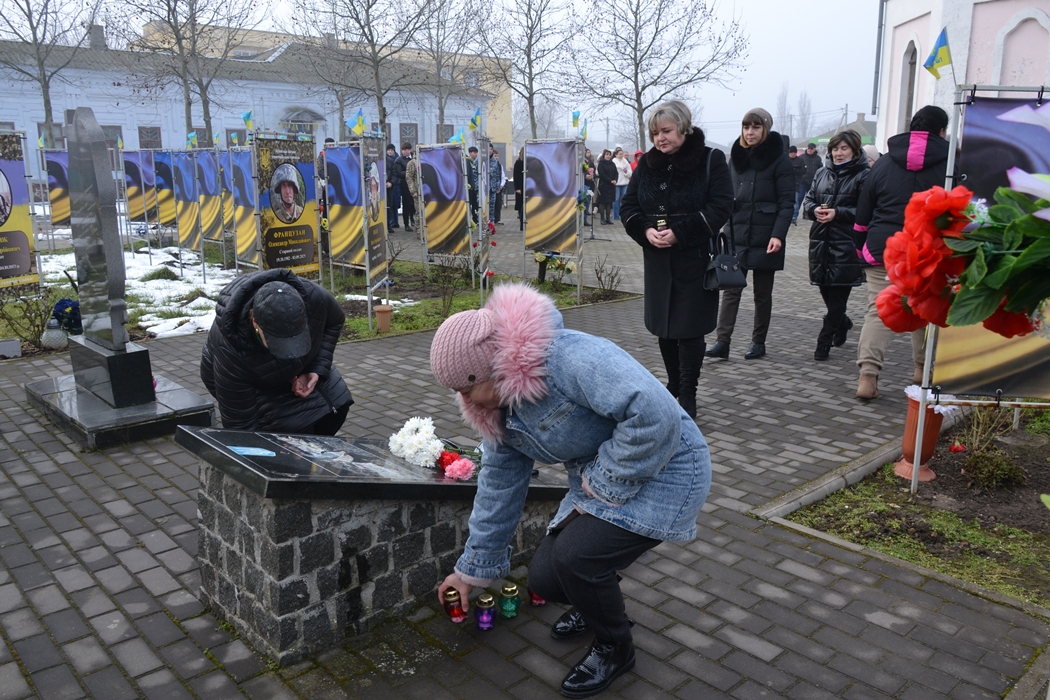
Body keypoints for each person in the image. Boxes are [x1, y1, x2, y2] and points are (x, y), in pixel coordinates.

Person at [431, 282, 711, 699]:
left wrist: (600, 485)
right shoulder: (497, 413)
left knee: (577, 557)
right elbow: (499, 488)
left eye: (466, 388)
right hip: (602, 474)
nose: (462, 398)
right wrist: (472, 568)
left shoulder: (569, 357)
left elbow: (656, 416)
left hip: (669, 467)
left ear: (492, 368)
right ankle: (596, 602)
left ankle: (616, 645)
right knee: (547, 578)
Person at [621, 100, 734, 419]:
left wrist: (680, 232)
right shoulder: (647, 165)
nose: (660, 138)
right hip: (657, 258)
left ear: (683, 128)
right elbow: (628, 207)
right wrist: (645, 230)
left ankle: (688, 393)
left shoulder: (711, 159)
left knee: (689, 328)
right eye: (655, 133)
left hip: (694, 255)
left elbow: (721, 205)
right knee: (664, 327)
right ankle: (672, 385)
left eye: (666, 131)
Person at [852, 105, 951, 400]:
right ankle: (922, 371)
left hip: (884, 249)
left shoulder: (882, 164)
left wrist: (861, 249)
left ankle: (867, 378)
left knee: (879, 311)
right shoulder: (951, 162)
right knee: (928, 308)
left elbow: (863, 210)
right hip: (930, 251)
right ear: (942, 131)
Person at [200, 269, 353, 434]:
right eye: (279, 343)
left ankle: (310, 455)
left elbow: (335, 320)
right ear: (255, 323)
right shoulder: (230, 353)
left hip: (298, 369)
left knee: (337, 403)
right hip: (250, 381)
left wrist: (315, 368)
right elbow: (241, 428)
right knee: (287, 428)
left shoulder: (314, 297)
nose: (290, 352)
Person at [707, 108, 794, 361]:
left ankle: (758, 341)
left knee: (762, 293)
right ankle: (722, 341)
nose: (750, 132)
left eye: (755, 127)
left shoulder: (779, 159)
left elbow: (787, 202)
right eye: (746, 127)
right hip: (737, 231)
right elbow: (724, 192)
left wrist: (778, 235)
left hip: (767, 235)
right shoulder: (736, 156)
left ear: (765, 128)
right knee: (731, 289)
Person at [802, 129, 870, 361]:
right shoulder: (822, 172)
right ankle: (843, 323)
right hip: (820, 241)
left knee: (839, 296)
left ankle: (824, 342)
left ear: (854, 150)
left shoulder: (865, 175)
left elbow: (866, 211)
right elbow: (809, 200)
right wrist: (814, 210)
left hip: (848, 243)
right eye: (835, 149)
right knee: (827, 293)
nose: (838, 153)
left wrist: (838, 213)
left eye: (844, 148)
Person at [395, 142, 416, 232]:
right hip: (404, 184)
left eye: (406, 150)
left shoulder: (415, 158)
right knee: (406, 204)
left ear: (410, 150)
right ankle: (406, 224)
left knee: (414, 204)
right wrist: (410, 174)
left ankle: (414, 220)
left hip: (415, 184)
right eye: (403, 150)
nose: (404, 152)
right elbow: (399, 173)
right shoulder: (399, 160)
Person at [595, 149, 617, 225]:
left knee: (609, 202)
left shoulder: (612, 164)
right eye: (606, 154)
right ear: (604, 155)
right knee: (602, 202)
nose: (608, 156)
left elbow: (616, 173)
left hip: (611, 186)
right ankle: (602, 218)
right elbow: (602, 174)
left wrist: (615, 180)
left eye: (609, 154)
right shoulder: (601, 164)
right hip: (604, 185)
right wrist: (610, 180)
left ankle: (608, 218)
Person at [611, 147, 632, 220]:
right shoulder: (613, 162)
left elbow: (630, 172)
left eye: (622, 154)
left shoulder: (625, 162)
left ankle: (623, 214)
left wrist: (626, 172)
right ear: (616, 155)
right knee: (616, 199)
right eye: (620, 154)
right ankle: (616, 215)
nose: (621, 155)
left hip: (625, 182)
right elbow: (612, 172)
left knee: (624, 199)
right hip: (617, 183)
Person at [789, 145, 806, 224]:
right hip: (786, 184)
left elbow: (803, 171)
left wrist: (795, 169)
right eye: (791, 152)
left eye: (794, 152)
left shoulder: (800, 160)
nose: (793, 154)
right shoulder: (785, 160)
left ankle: (794, 217)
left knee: (795, 201)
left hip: (796, 183)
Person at [386, 144, 400, 232]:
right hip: (379, 187)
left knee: (389, 206)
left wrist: (391, 182)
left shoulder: (390, 161)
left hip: (390, 187)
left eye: (391, 150)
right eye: (388, 150)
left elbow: (395, 174)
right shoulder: (377, 160)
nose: (390, 152)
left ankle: (389, 225)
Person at [513, 147, 525, 230]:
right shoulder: (518, 163)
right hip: (521, 187)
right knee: (521, 206)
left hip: (529, 187)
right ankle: (522, 225)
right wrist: (517, 188)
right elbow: (516, 176)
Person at [467, 146, 479, 223]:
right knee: (471, 204)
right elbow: (468, 174)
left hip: (475, 187)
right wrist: (471, 185)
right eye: (474, 153)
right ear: (470, 153)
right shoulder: (467, 161)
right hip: (470, 188)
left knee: (475, 205)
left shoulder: (474, 162)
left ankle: (475, 219)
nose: (476, 154)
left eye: (476, 153)